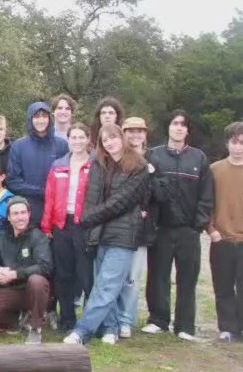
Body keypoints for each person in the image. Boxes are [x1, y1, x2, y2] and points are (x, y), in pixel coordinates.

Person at [64, 124, 150, 345]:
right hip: (99, 233)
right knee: (101, 283)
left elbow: (120, 202)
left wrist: (86, 218)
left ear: (121, 137)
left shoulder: (139, 165)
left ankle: (81, 331)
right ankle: (110, 327)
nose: (110, 142)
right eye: (105, 139)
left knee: (108, 284)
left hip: (123, 234)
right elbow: (92, 197)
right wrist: (90, 222)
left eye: (113, 137)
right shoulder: (98, 163)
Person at [143, 110, 213, 341]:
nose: (179, 128)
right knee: (158, 276)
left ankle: (185, 325)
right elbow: (148, 191)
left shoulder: (199, 158)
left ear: (188, 130)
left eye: (184, 124)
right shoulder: (154, 156)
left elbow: (206, 195)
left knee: (187, 278)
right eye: (175, 123)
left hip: (188, 230)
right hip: (161, 228)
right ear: (168, 127)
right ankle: (158, 320)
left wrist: (199, 224)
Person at [0, 196, 53, 345]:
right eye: (15, 214)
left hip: (34, 291)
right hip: (12, 291)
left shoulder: (38, 237)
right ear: (9, 218)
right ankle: (19, 320)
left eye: (23, 213)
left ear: (29, 214)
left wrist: (14, 274)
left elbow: (45, 266)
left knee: (36, 280)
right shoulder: (2, 237)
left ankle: (36, 328)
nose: (20, 217)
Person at [42, 123, 94, 333]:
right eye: (74, 137)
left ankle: (91, 322)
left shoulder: (96, 165)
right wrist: (47, 226)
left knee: (86, 275)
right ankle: (67, 320)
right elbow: (50, 198)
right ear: (68, 140)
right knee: (63, 275)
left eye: (82, 137)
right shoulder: (58, 165)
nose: (78, 141)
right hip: (61, 225)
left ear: (88, 139)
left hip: (85, 225)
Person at [207, 122, 243, 343]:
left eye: (242, 143)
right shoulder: (215, 170)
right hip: (221, 238)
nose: (238, 147)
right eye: (234, 142)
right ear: (227, 143)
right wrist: (210, 230)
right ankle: (226, 327)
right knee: (223, 286)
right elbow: (205, 203)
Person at [117, 117, 158, 338]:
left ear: (145, 134)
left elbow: (161, 195)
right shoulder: (118, 158)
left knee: (133, 278)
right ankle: (114, 318)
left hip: (142, 229)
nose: (134, 135)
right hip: (118, 227)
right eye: (130, 131)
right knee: (116, 276)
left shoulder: (155, 159)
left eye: (139, 131)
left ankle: (126, 320)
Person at [7, 102, 69, 227]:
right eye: (36, 116)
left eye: (44, 116)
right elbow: (13, 181)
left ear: (49, 119)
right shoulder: (19, 146)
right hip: (30, 211)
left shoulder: (61, 145)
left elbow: (67, 178)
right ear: (30, 119)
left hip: (56, 209)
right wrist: (42, 191)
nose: (41, 120)